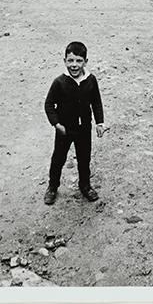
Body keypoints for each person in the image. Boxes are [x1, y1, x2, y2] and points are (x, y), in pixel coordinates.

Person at [44, 42, 105, 205]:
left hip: (84, 129)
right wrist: (56, 124)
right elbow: (49, 104)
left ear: (85, 61)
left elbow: (96, 102)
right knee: (58, 158)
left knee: (84, 158)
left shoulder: (91, 80)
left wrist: (100, 122)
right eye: (70, 61)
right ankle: (52, 187)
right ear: (64, 61)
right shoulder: (59, 82)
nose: (74, 65)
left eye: (79, 61)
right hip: (64, 129)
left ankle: (85, 186)